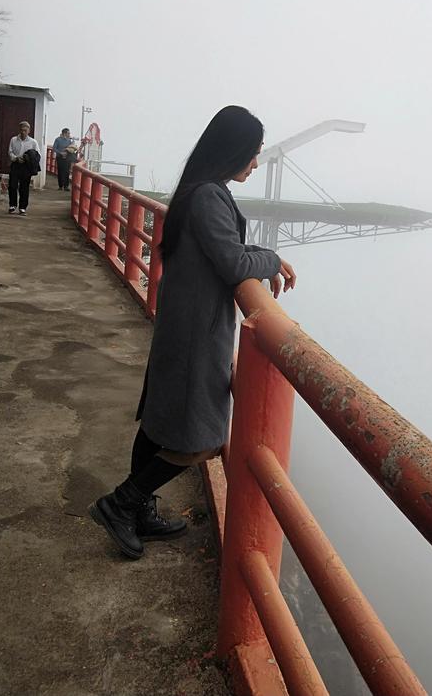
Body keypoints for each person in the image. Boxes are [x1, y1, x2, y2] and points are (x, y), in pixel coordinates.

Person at [89, 106, 297, 559]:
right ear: (233, 149)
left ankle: (138, 508)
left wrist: (257, 253)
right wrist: (269, 258)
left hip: (184, 326)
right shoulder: (208, 195)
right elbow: (232, 263)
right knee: (199, 441)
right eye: (253, 153)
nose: (256, 163)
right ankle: (121, 504)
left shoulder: (200, 190)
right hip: (195, 338)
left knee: (160, 423)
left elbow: (224, 248)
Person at [8, 121, 39, 216]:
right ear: (19, 130)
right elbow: (10, 152)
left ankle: (22, 207)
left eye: (25, 130)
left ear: (29, 131)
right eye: (21, 130)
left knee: (24, 187)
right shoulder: (13, 140)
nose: (23, 132)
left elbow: (38, 155)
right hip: (15, 164)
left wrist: (28, 159)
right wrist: (16, 158)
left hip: (26, 167)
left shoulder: (33, 142)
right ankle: (12, 205)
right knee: (12, 186)